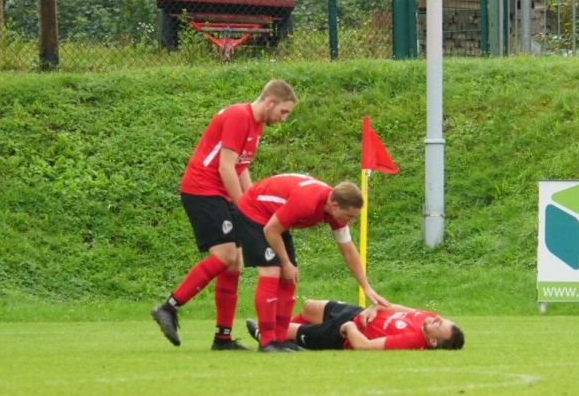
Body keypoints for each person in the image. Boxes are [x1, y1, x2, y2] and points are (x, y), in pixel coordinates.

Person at [150, 80, 299, 350]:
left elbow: (241, 169)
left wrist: (254, 203)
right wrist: (244, 208)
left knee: (234, 263)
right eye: (284, 112)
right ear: (270, 103)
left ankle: (222, 339)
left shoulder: (255, 125)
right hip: (202, 189)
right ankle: (168, 308)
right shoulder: (239, 116)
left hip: (219, 192)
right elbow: (225, 168)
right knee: (226, 256)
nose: (283, 118)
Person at [233, 173, 389, 352]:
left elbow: (348, 249)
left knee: (290, 278)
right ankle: (267, 341)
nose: (351, 221)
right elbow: (271, 230)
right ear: (335, 205)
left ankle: (281, 339)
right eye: (350, 216)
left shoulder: (334, 211)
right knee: (272, 272)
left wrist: (366, 287)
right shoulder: (307, 201)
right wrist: (285, 263)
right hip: (254, 211)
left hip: (274, 219)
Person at [246, 299, 464, 351]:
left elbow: (364, 347)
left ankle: (270, 338)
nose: (436, 318)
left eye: (439, 324)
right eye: (441, 318)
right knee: (309, 307)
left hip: (343, 334)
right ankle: (286, 342)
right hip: (357, 313)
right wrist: (375, 308)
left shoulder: (413, 339)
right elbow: (396, 308)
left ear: (433, 341)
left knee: (287, 329)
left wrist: (350, 328)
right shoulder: (428, 316)